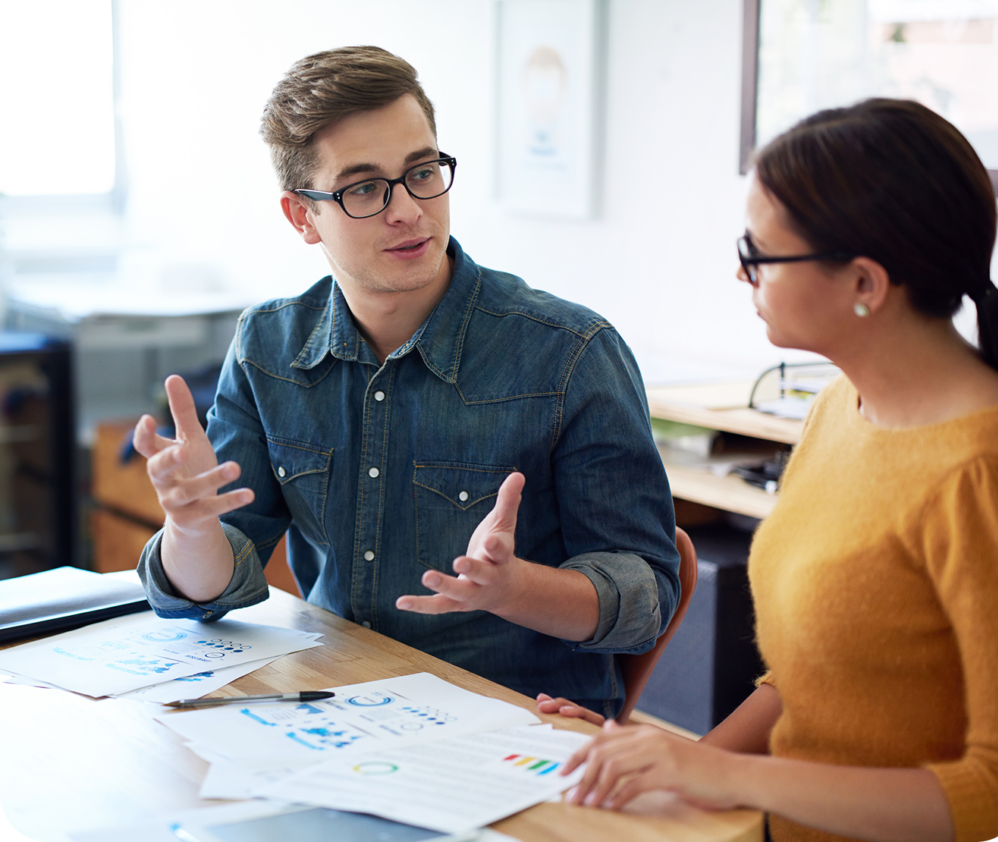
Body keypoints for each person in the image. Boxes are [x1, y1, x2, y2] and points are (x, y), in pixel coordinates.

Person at [132, 45, 680, 719]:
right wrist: (190, 528)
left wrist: (513, 589)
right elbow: (211, 593)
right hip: (337, 710)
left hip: (516, 725)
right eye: (364, 188)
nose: (408, 211)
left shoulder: (570, 354)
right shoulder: (270, 347)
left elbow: (645, 599)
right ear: (303, 217)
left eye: (422, 172)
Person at [546, 99, 998, 842]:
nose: (743, 273)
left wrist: (724, 776)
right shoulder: (840, 406)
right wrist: (662, 762)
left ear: (865, 283)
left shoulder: (988, 472)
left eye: (760, 254)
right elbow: (812, 685)